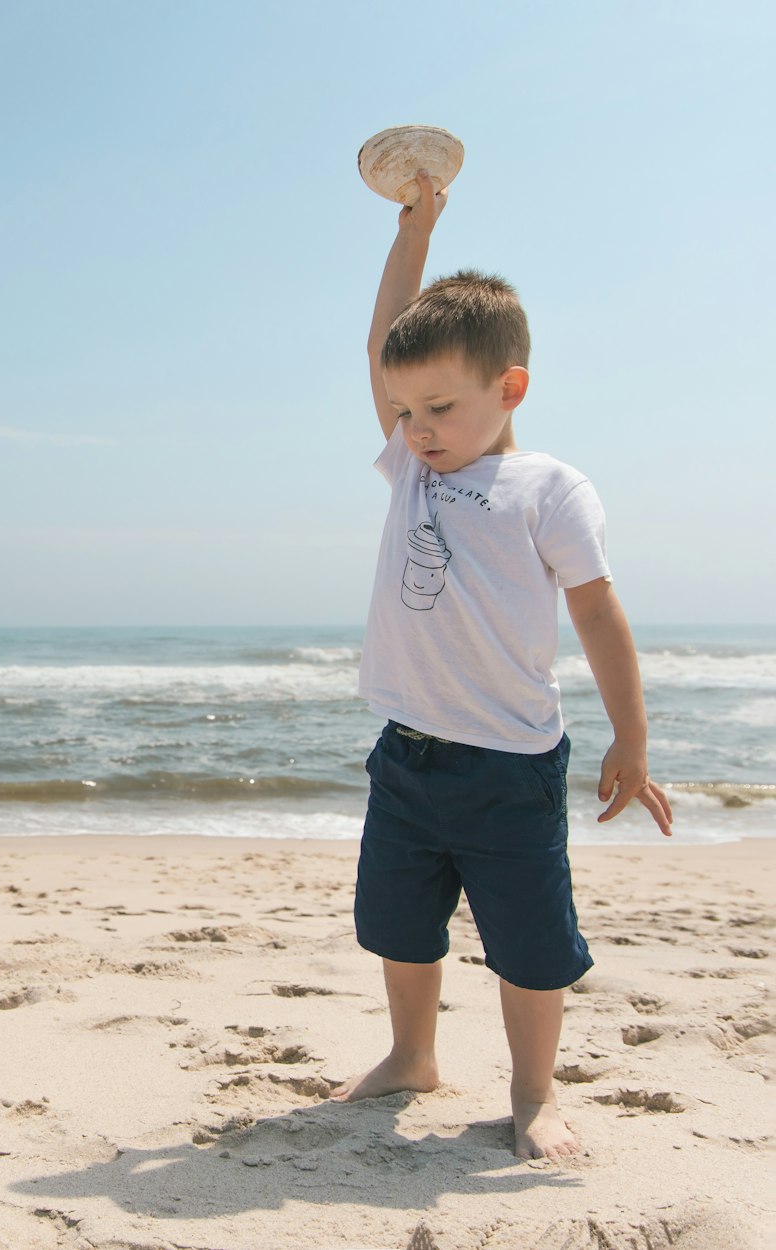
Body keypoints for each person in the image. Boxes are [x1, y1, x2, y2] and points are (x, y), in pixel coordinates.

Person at [331, 171, 673, 1160]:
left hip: (510, 767)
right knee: (399, 925)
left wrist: (632, 734)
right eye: (403, 411)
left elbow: (599, 612)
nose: (416, 427)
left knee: (529, 946)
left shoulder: (546, 487)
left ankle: (533, 1093)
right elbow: (382, 338)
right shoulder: (409, 464)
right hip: (407, 757)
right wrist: (417, 228)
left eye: (437, 407)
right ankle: (411, 1054)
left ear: (508, 387)